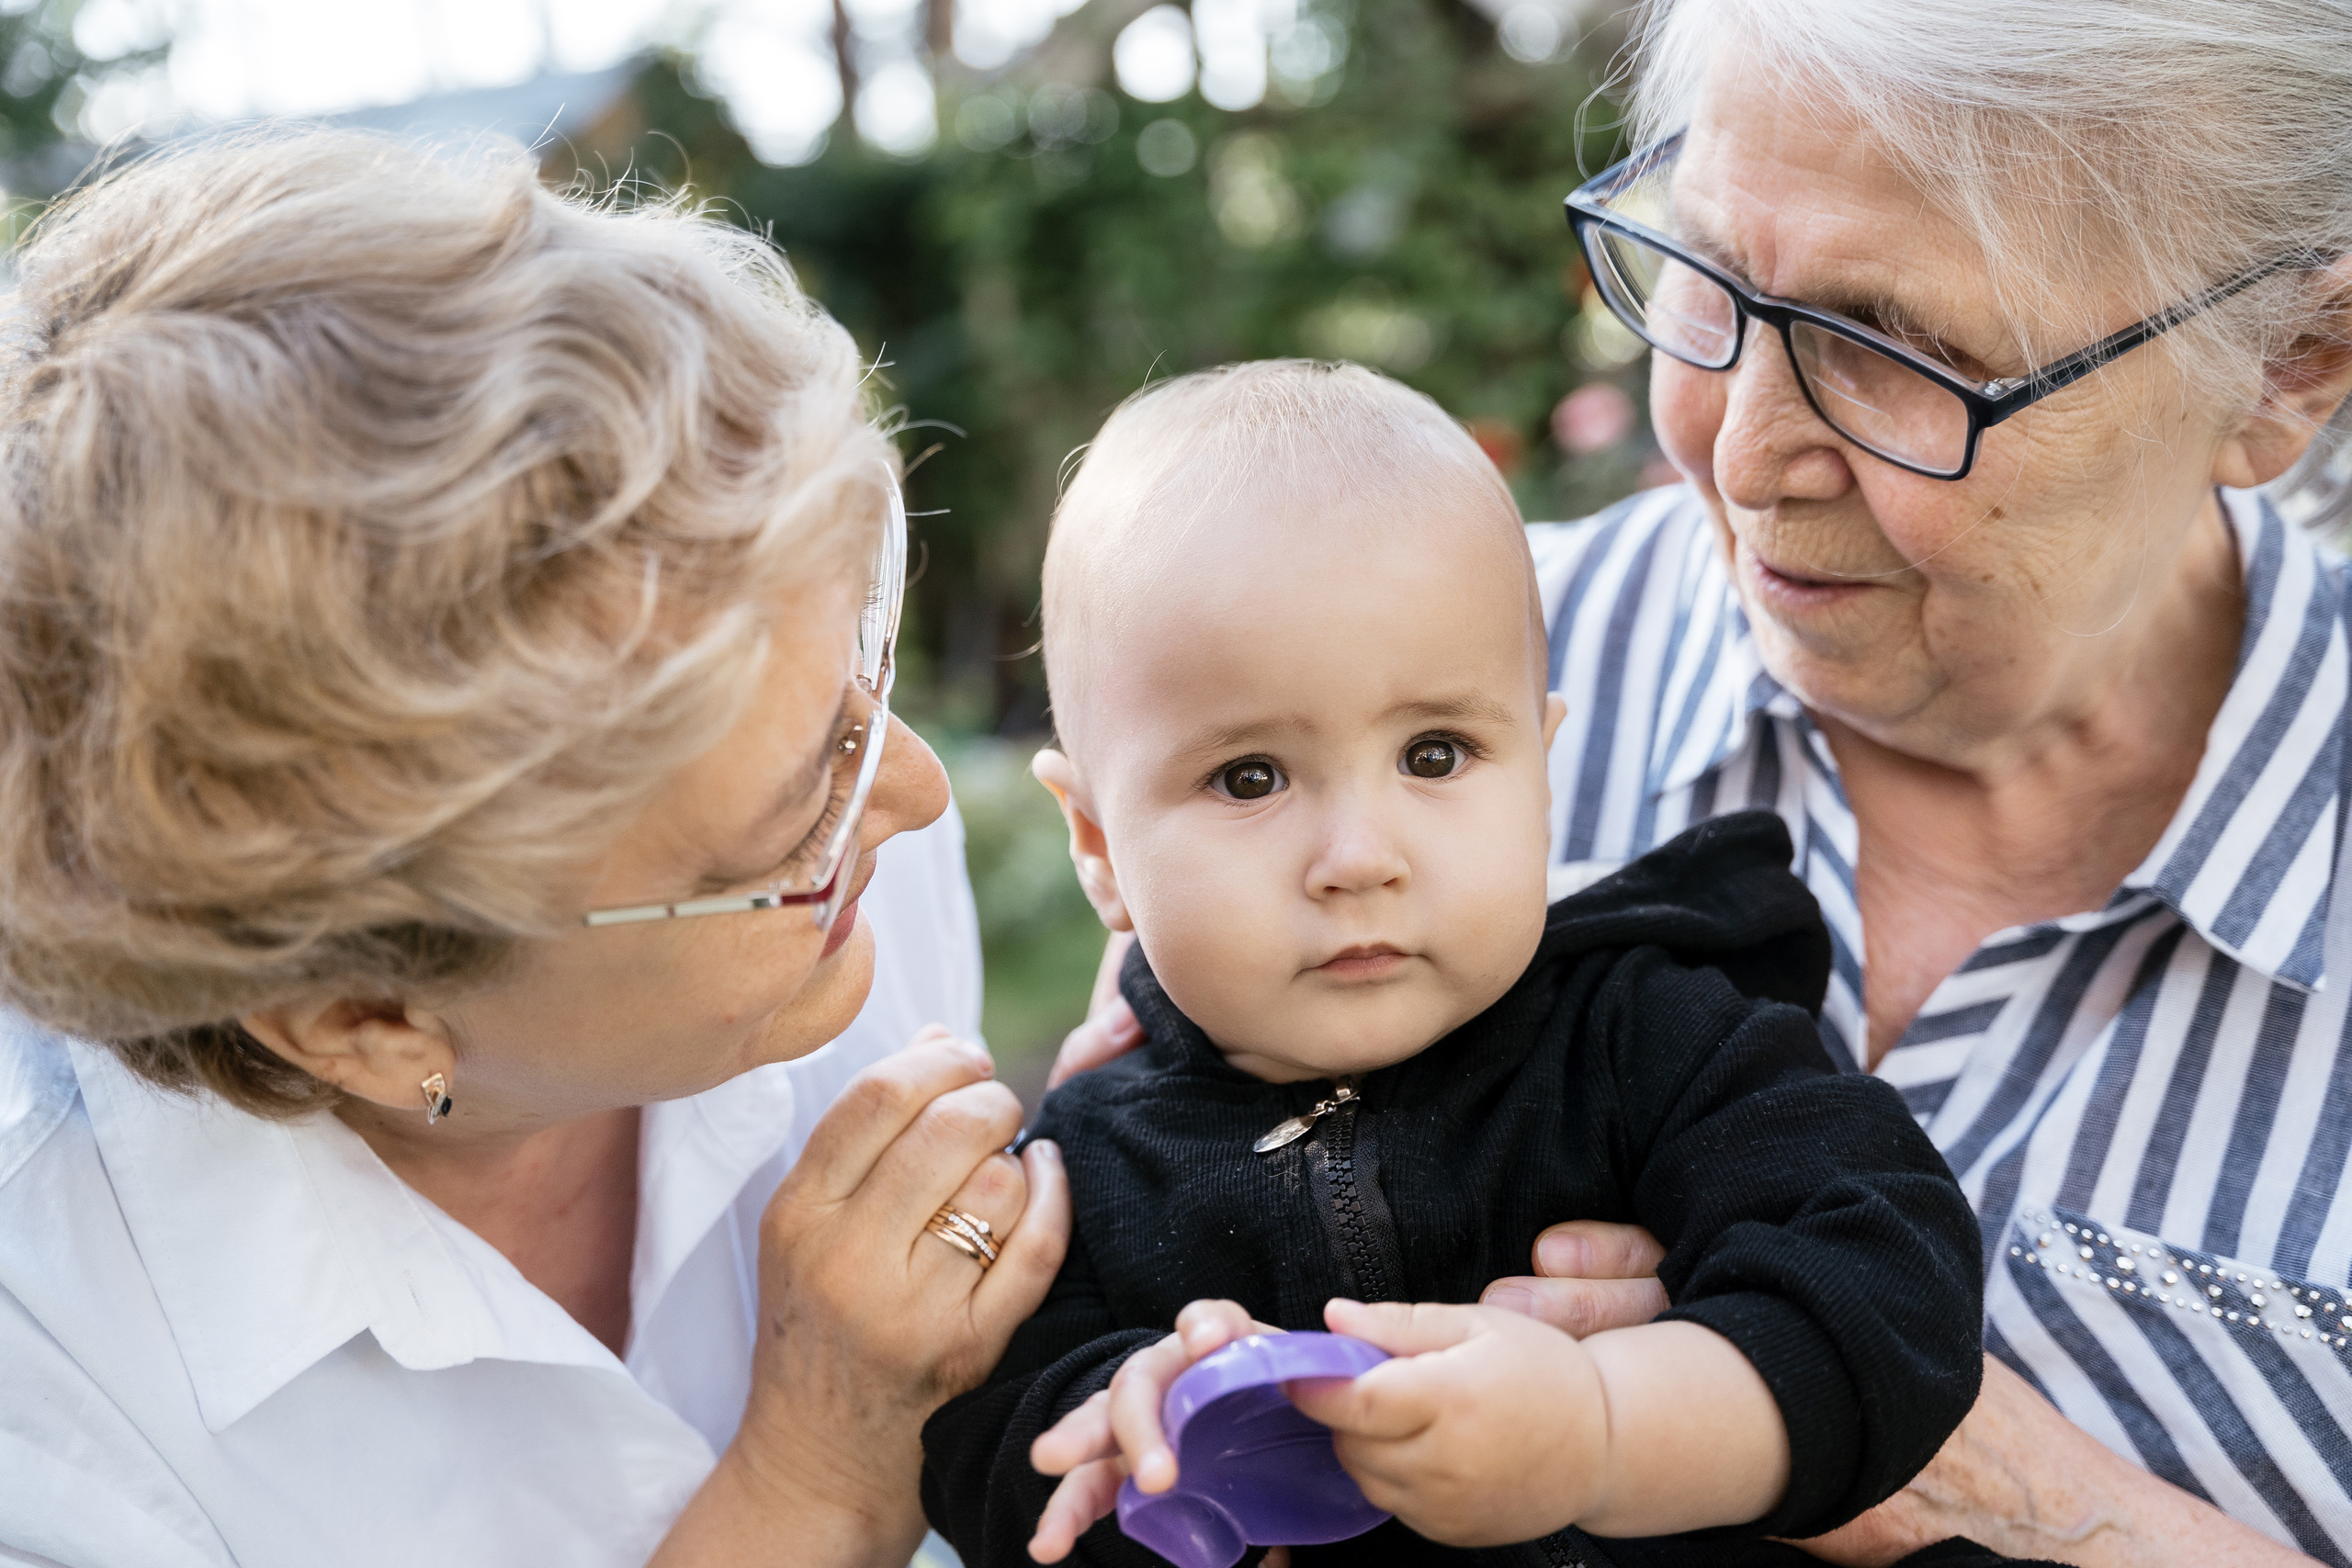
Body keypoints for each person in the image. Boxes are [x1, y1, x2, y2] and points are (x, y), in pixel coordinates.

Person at [0, 130, 1069, 1568]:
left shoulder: (843, 883)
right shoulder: (53, 1390)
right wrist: (828, 1463)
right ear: (365, 1024)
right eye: (792, 810)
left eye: (859, 680)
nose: (916, 798)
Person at [1490, 1, 2352, 1564]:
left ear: (2292, 368)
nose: (1738, 449)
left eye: (1897, 351)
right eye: (1706, 279)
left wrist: (2008, 1493)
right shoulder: (1426, 687)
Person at [922, 361, 1993, 1568]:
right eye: (1250, 778)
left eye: (1434, 754)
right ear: (1100, 846)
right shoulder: (1088, 1169)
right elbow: (985, 1447)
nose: (1360, 857)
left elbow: (1889, 1281)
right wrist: (1143, 1434)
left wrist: (1606, 1430)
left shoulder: (1651, 1034)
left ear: (1542, 769)